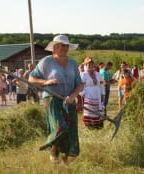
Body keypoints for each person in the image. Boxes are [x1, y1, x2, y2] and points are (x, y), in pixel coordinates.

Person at [28, 34, 83, 163]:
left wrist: (72, 96)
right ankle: (52, 149)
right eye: (62, 46)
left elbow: (79, 84)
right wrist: (46, 82)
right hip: (52, 99)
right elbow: (31, 78)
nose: (65, 48)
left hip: (69, 101)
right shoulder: (46, 61)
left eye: (66, 46)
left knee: (70, 130)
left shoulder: (73, 63)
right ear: (55, 47)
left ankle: (65, 159)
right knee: (60, 127)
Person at [81, 57, 105, 129]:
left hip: (97, 94)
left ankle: (98, 125)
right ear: (86, 65)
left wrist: (102, 94)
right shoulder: (84, 74)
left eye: (92, 64)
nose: (91, 66)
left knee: (98, 109)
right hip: (88, 95)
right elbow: (80, 86)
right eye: (89, 64)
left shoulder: (98, 74)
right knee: (90, 110)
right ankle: (90, 126)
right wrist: (84, 94)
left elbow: (101, 84)